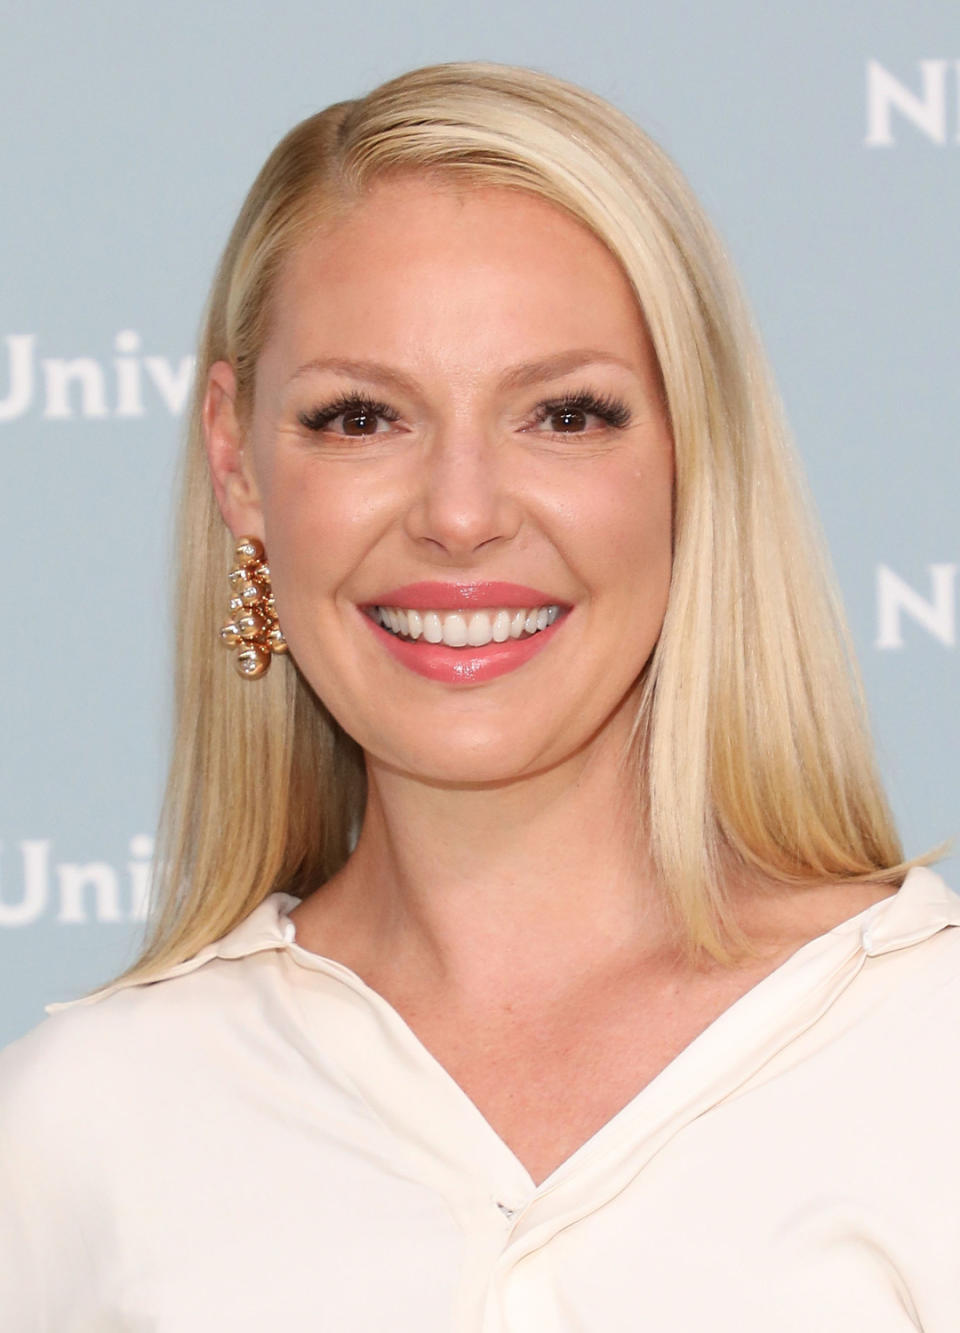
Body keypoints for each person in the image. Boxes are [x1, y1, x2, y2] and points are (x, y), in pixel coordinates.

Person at [1, 59, 957, 1332]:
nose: (460, 515)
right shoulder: (80, 1128)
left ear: (695, 448)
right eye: (359, 417)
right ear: (237, 459)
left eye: (564, 415)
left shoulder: (925, 1051)